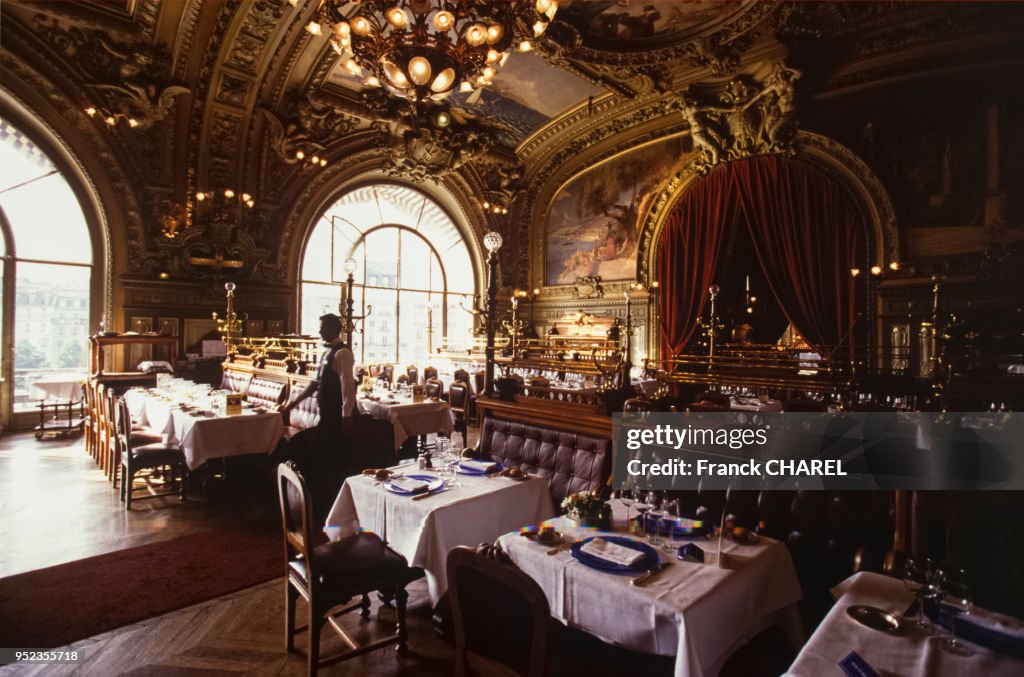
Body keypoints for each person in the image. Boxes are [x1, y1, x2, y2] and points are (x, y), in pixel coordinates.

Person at [278, 313, 356, 521]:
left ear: (333, 328)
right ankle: (319, 506)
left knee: (328, 461)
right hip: (324, 415)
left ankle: (329, 509)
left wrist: (347, 416)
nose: (320, 331)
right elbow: (314, 384)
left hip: (335, 417)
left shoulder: (343, 353)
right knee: (321, 459)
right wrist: (290, 404)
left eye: (323, 327)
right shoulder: (326, 353)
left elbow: (347, 386)